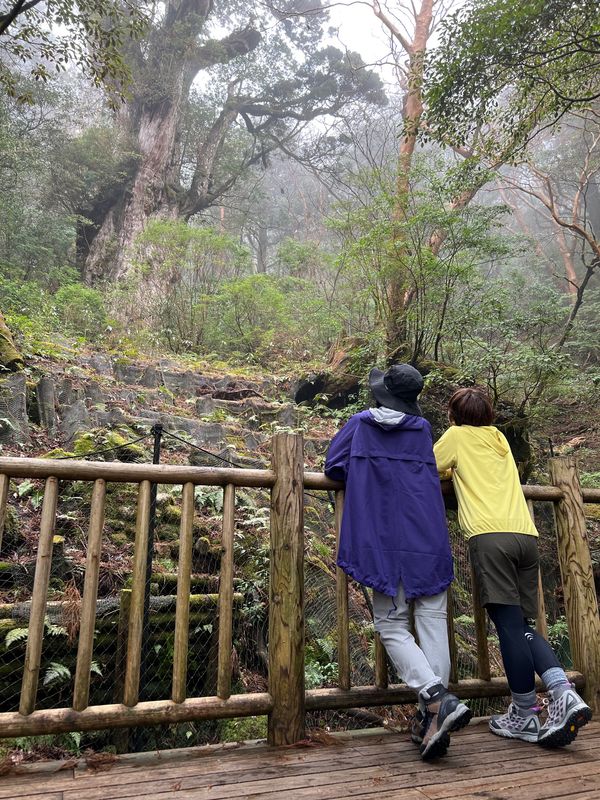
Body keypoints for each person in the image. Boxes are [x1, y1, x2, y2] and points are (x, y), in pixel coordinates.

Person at [324, 364, 471, 760]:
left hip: (382, 539)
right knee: (432, 621)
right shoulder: (422, 429)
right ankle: (431, 719)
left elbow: (333, 464)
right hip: (426, 537)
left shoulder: (360, 424)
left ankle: (436, 699)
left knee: (391, 625)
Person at [433, 386, 592, 747]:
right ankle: (562, 691)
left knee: (508, 627)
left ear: (453, 415)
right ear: (488, 415)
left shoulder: (456, 436)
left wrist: (451, 478)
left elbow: (427, 466)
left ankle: (524, 713)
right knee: (522, 625)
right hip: (525, 535)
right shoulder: (499, 438)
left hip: (491, 537)